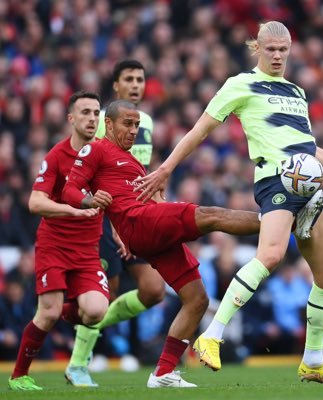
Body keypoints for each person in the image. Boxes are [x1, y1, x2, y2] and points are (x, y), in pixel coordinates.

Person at [134, 21, 323, 384]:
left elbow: (308, 150)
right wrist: (166, 169)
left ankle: (312, 361)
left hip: (308, 182)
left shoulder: (297, 92)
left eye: (283, 49)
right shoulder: (239, 85)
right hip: (274, 180)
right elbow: (199, 130)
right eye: (271, 50)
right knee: (271, 255)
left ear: (290, 49)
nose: (278, 55)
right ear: (257, 49)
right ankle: (212, 336)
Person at [62, 99, 261, 388]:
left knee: (197, 299)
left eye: (137, 126)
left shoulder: (131, 161)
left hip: (145, 230)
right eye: (127, 124)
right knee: (211, 215)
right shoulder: (95, 149)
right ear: (109, 124)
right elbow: (69, 188)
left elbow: (142, 195)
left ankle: (164, 373)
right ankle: (280, 221)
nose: (133, 131)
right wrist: (89, 200)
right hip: (141, 223)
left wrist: (152, 207)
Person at [65, 60, 165, 387]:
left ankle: (82, 335)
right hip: (105, 217)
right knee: (106, 294)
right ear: (116, 86)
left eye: (141, 79)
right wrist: (107, 220)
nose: (136, 85)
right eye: (129, 79)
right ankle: (79, 362)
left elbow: (143, 170)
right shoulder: (102, 121)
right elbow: (87, 170)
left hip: (137, 213)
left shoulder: (145, 122)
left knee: (153, 291)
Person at [8, 91, 110, 391]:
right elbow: (35, 202)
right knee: (48, 312)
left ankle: (56, 314)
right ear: (71, 119)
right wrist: (71, 210)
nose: (92, 119)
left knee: (96, 311)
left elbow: (114, 200)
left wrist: (121, 233)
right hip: (54, 245)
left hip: (87, 250)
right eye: (85, 113)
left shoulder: (105, 155)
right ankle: (19, 376)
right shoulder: (56, 156)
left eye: (95, 113)